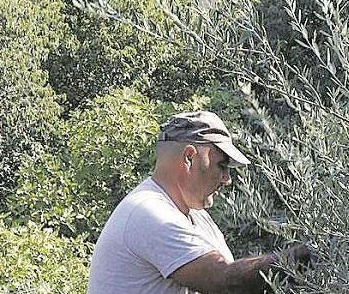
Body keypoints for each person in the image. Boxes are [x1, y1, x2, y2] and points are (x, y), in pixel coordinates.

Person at [88, 110, 310, 294]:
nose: (227, 179)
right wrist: (311, 254)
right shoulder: (148, 213)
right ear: (189, 157)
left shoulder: (195, 216)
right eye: (221, 165)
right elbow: (224, 281)